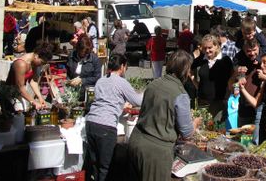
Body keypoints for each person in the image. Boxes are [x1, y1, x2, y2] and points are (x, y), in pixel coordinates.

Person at [127, 50, 202, 180]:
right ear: (186, 70)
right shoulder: (180, 94)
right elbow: (187, 133)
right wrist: (195, 122)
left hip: (136, 140)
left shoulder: (153, 84)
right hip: (155, 152)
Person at [86, 54, 142, 181]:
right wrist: (150, 93)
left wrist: (120, 106)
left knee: (95, 164)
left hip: (90, 123)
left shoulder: (101, 80)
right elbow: (137, 101)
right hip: (105, 127)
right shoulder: (121, 82)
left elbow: (105, 101)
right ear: (122, 66)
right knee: (106, 167)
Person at [191, 34, 233, 121]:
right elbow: (189, 68)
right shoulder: (202, 59)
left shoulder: (225, 60)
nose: (207, 50)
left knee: (217, 132)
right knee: (202, 130)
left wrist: (228, 95)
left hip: (219, 102)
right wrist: (194, 81)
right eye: (205, 48)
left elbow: (232, 78)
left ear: (216, 46)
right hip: (203, 101)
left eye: (210, 47)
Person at [6, 42, 54, 111]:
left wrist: (40, 97)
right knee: (18, 117)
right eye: (42, 62)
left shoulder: (33, 63)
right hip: (10, 95)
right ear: (36, 56)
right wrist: (33, 101)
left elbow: (33, 81)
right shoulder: (21, 64)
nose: (41, 65)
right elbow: (19, 87)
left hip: (19, 93)